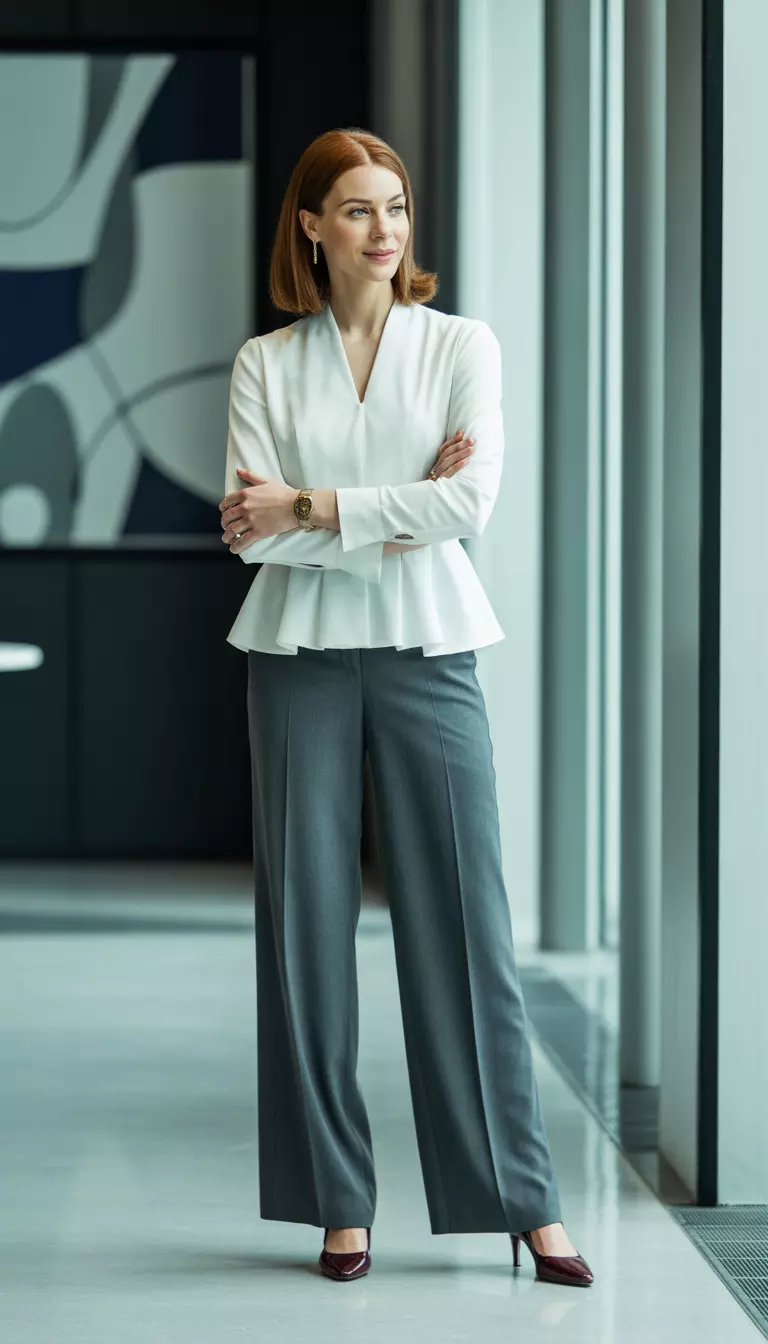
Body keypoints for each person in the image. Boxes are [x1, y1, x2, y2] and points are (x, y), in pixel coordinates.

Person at [218, 128, 594, 1290]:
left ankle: (524, 1201)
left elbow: (468, 505)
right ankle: (340, 1201)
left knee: (467, 928)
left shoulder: (460, 346)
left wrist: (316, 503)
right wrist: (395, 502)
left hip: (432, 652)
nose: (386, 230)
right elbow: (248, 532)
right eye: (359, 210)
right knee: (304, 933)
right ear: (312, 229)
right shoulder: (265, 364)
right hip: (296, 659)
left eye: (398, 208)